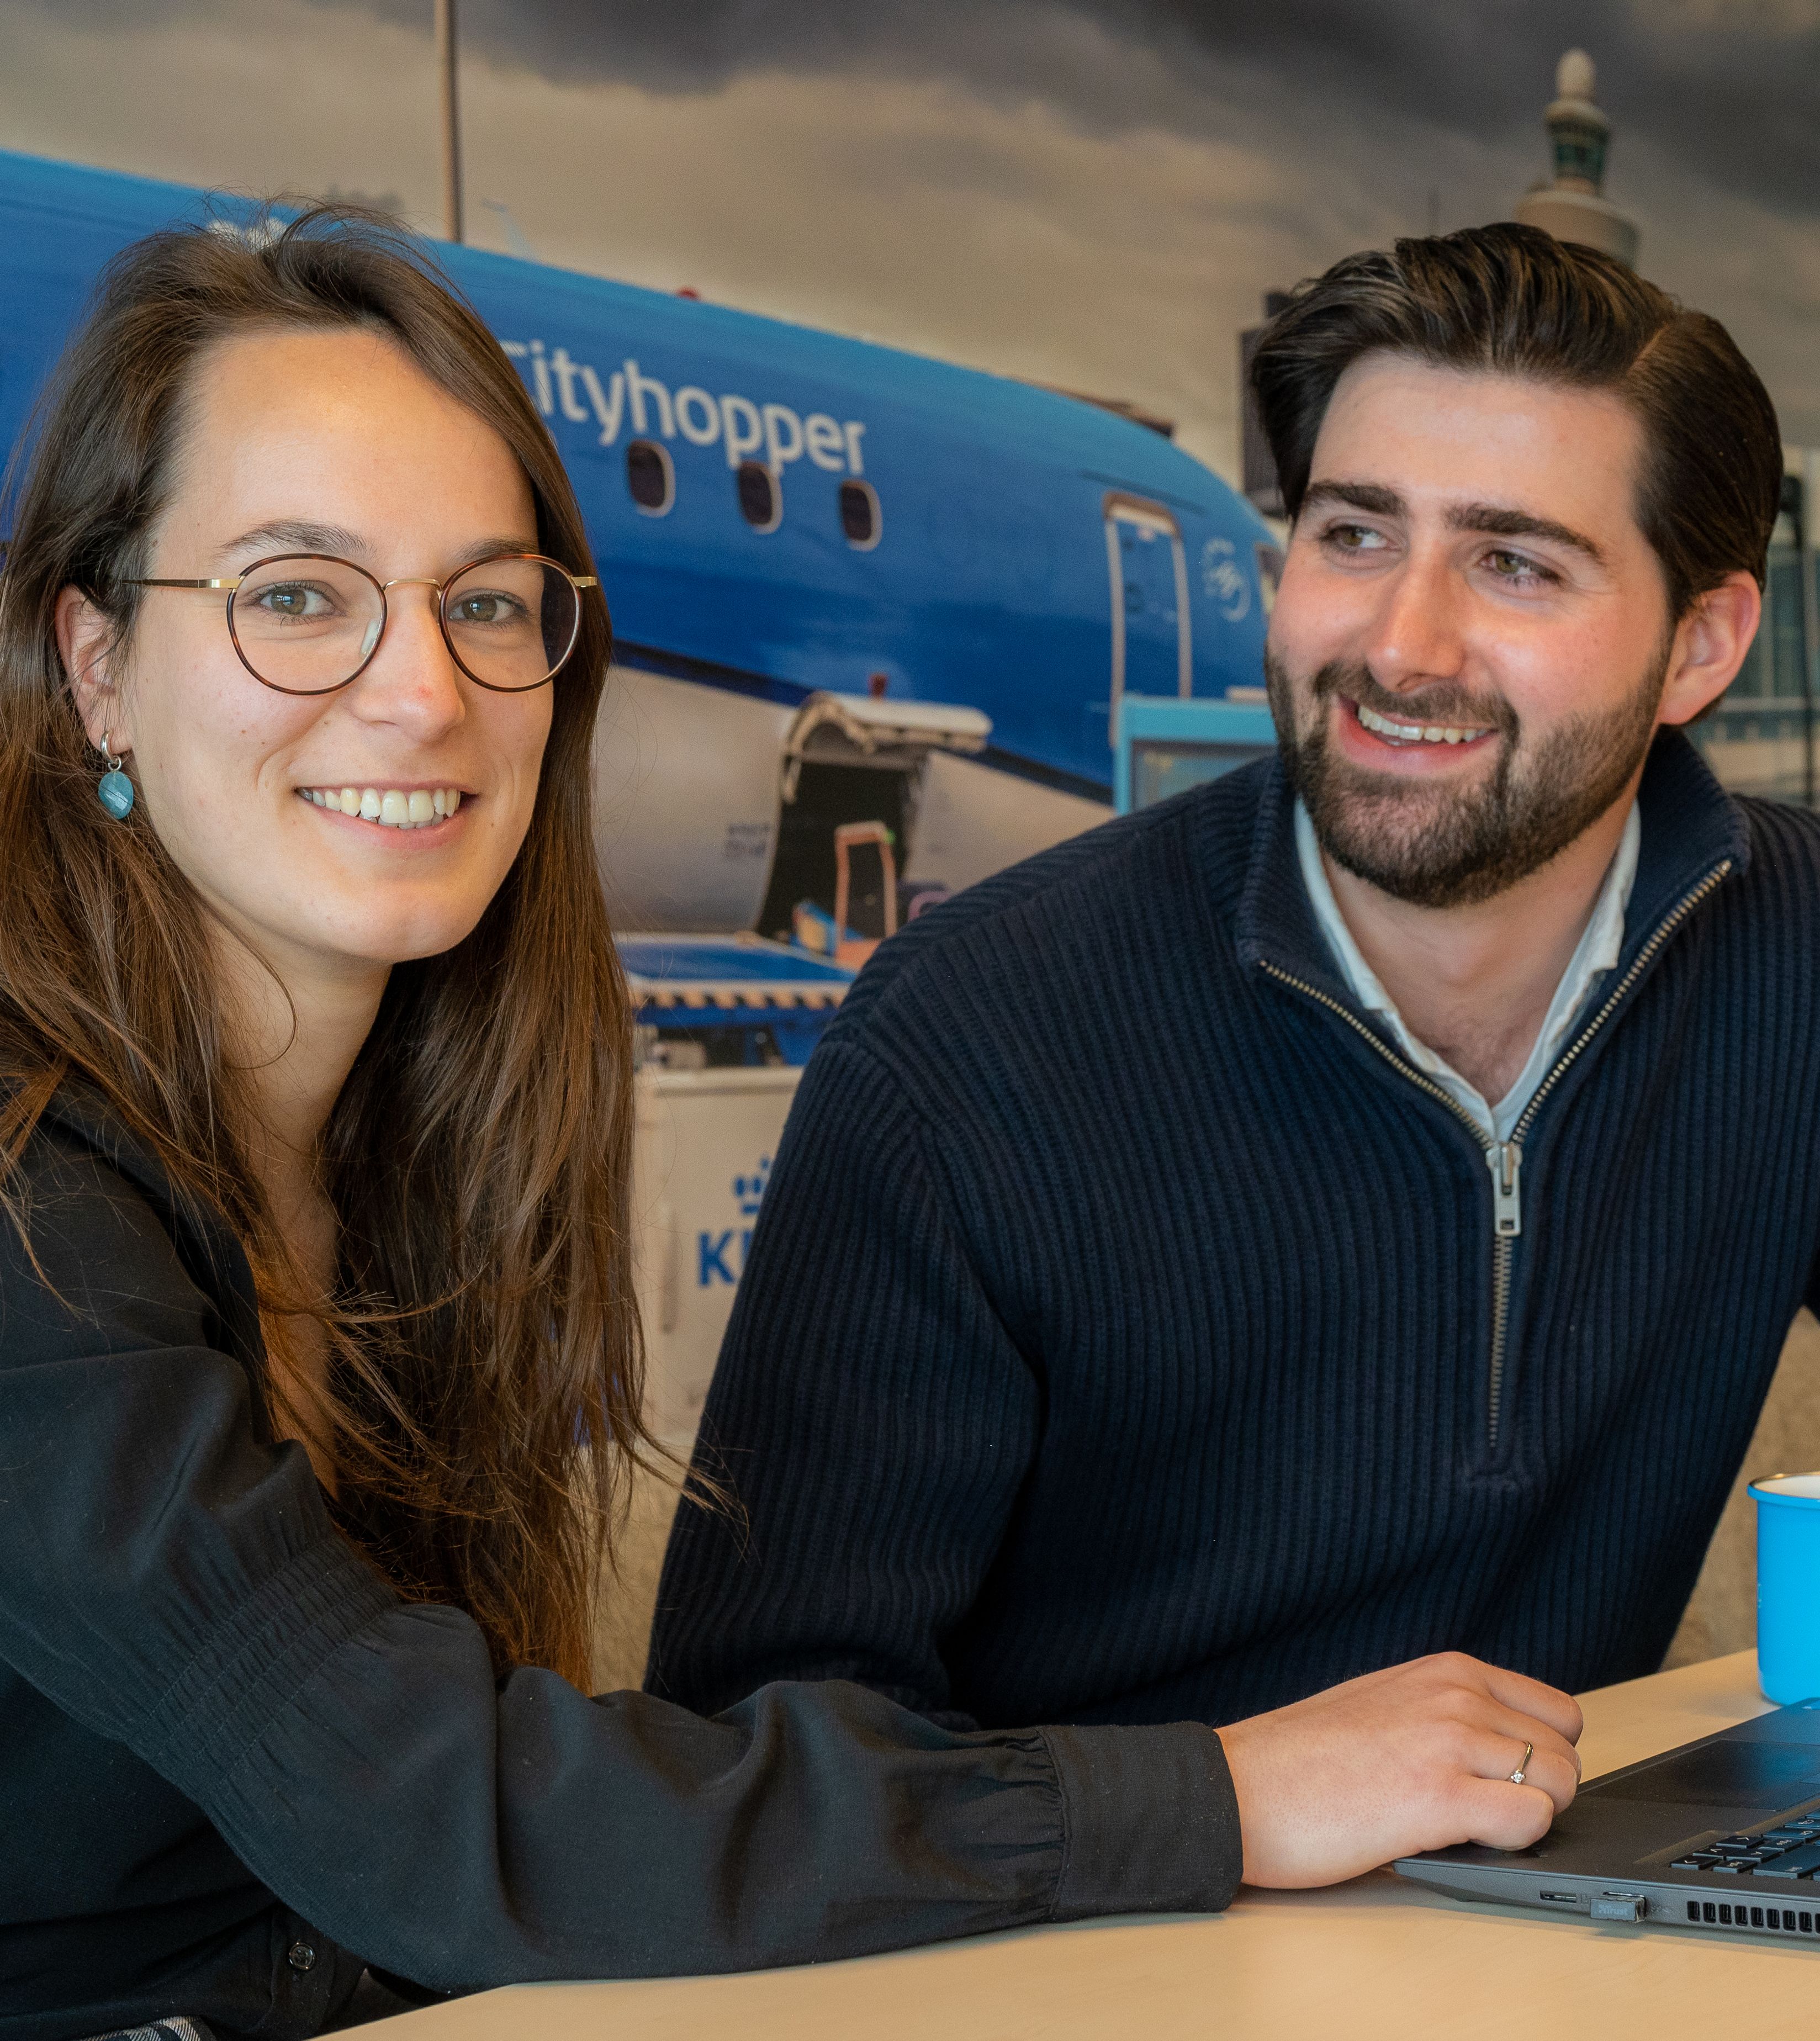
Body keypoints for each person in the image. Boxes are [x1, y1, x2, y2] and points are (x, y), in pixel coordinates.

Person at [0, 212, 1293, 2041]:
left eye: (489, 604)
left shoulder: (425, 1132)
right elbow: (437, 1810)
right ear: (97, 665)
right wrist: (1209, 1799)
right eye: (296, 595)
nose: (421, 691)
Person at [649, 224, 1806, 1889]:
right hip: (1059, 2001)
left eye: (1516, 565)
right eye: (1353, 533)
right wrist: (1214, 1792)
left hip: (1569, 1964)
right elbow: (740, 1764)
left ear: (1700, 647)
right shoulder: (969, 1039)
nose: (1400, 645)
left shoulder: (1795, 955)